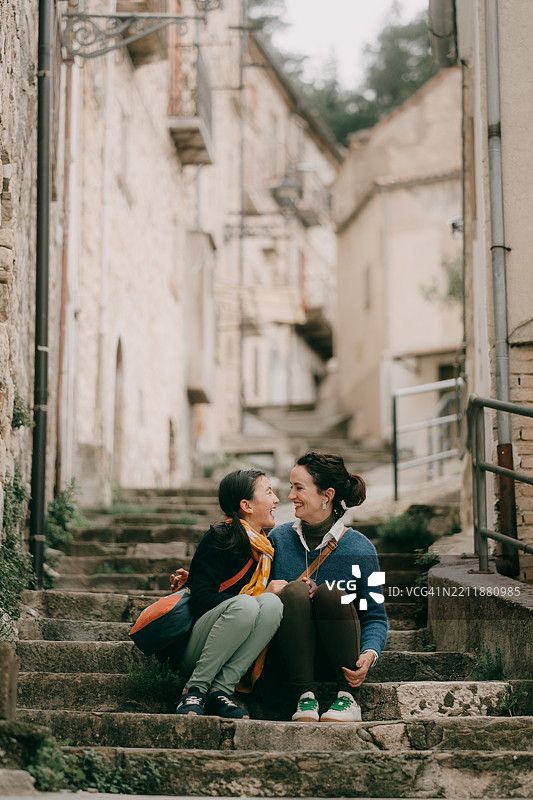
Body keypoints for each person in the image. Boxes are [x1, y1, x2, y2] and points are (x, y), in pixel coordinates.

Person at [268, 452, 388, 723]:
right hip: (290, 659)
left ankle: (348, 698)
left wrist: (369, 654)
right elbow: (251, 592)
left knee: (330, 592)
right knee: (296, 591)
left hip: (340, 658)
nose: (290, 496)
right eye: (291, 487)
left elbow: (376, 617)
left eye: (299, 487)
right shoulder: (277, 539)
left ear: (327, 495)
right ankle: (305, 698)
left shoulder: (362, 548)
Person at [165, 469, 286, 719]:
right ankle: (194, 689)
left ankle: (220, 690)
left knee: (272, 604)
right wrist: (252, 598)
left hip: (234, 643)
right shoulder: (219, 538)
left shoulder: (266, 548)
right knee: (247, 605)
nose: (276, 500)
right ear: (246, 506)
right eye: (269, 492)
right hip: (197, 645)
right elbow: (201, 600)